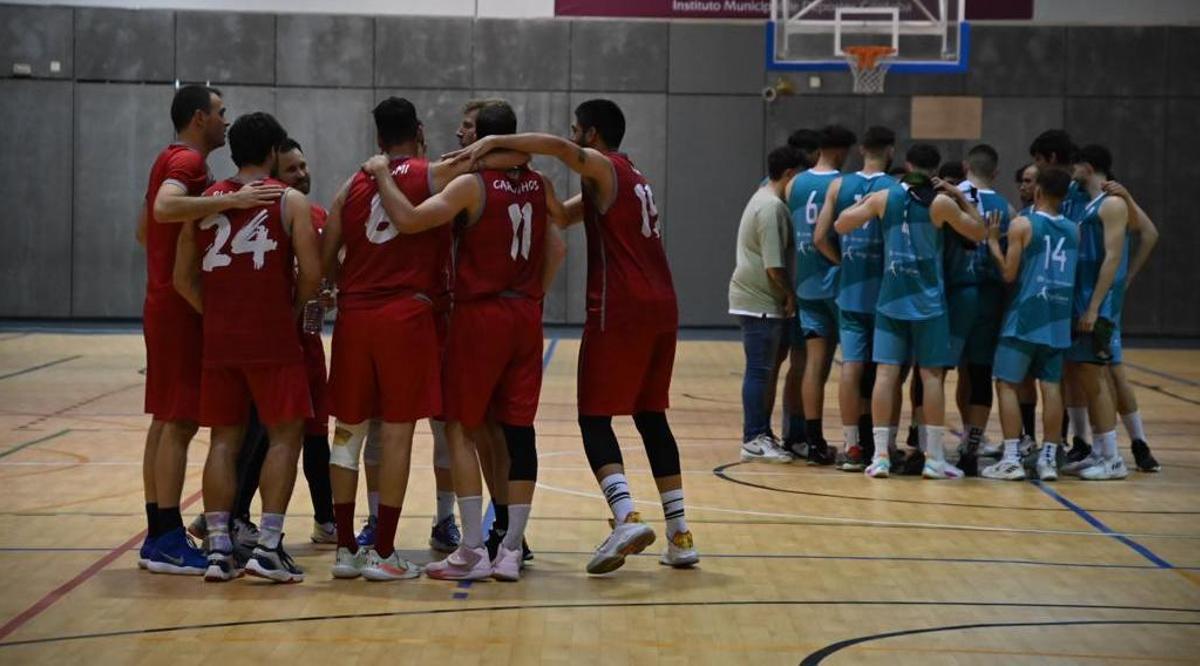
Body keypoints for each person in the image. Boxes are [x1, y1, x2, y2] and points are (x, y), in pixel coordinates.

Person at [452, 99, 699, 573]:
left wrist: (494, 142)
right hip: (663, 308)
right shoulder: (632, 177)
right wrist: (529, 185)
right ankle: (680, 533)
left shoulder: (601, 167)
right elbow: (561, 219)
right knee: (651, 417)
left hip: (620, 307)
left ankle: (625, 516)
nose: (572, 138)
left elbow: (555, 148)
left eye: (576, 131)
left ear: (592, 134)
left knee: (593, 418)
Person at [366, 102, 566, 581]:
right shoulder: (540, 184)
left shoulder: (470, 185)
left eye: (467, 131)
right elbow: (559, 240)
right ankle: (511, 548)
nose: (458, 136)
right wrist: (536, 292)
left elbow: (411, 220)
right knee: (516, 431)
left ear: (485, 141)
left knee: (459, 425)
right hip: (525, 313)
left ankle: (472, 546)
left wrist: (381, 176)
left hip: (480, 314)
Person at [139, 85, 283, 575]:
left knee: (164, 420)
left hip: (160, 297)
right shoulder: (189, 165)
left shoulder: (167, 157)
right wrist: (233, 200)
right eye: (221, 113)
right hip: (179, 306)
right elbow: (163, 209)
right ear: (200, 117)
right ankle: (164, 538)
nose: (227, 121)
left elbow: (145, 229)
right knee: (179, 422)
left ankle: (160, 531)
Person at [173, 111, 320, 583]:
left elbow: (181, 278)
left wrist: (214, 313)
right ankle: (270, 547)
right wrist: (292, 310)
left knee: (222, 439)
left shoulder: (205, 201)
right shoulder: (289, 200)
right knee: (285, 434)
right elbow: (313, 277)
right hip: (272, 335)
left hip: (220, 337)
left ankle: (217, 549)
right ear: (275, 152)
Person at [834, 144, 986, 479]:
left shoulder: (885, 197)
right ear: (935, 173)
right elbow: (980, 231)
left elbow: (841, 224)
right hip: (929, 304)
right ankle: (933, 458)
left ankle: (880, 457)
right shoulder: (941, 203)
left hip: (890, 301)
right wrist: (960, 197)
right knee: (931, 376)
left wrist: (866, 202)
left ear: (906, 164)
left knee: (886, 375)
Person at [982, 166, 1078, 481]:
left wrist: (994, 243)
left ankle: (1011, 458)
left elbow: (1009, 275)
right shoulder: (1074, 229)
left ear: (1037, 190)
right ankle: (1048, 458)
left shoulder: (1023, 224)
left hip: (1025, 316)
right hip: (1057, 318)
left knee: (1006, 383)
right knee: (1051, 387)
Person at [812, 126, 898, 471]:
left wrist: (843, 261)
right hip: (886, 293)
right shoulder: (893, 189)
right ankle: (884, 446)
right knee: (887, 372)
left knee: (851, 367)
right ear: (890, 151)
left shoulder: (838, 185)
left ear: (862, 149)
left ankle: (851, 447)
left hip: (849, 291)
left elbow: (820, 237)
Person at [786, 124, 857, 464]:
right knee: (851, 362)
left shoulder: (795, 183)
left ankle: (812, 440)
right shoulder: (842, 184)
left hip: (806, 284)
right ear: (841, 151)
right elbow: (823, 235)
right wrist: (840, 259)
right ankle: (856, 440)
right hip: (838, 284)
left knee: (813, 364)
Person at [1060, 145, 1131, 481]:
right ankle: (1099, 452)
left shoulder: (1113, 204)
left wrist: (1094, 307)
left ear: (1086, 167)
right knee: (1084, 377)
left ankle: (1112, 457)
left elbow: (1113, 258)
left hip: (1096, 304)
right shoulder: (1084, 198)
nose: (1071, 170)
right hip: (1078, 299)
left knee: (1096, 376)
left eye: (1075, 165)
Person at [730, 145, 802, 463]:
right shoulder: (771, 206)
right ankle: (753, 437)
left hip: (758, 299)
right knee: (759, 371)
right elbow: (774, 265)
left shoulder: (764, 196)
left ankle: (762, 433)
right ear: (789, 174)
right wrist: (789, 294)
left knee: (764, 370)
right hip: (759, 300)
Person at [948, 144, 1010, 476]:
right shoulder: (1006, 207)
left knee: (939, 370)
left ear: (964, 165)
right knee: (980, 372)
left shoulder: (951, 196)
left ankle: (924, 446)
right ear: (996, 172)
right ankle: (972, 444)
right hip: (990, 299)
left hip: (954, 295)